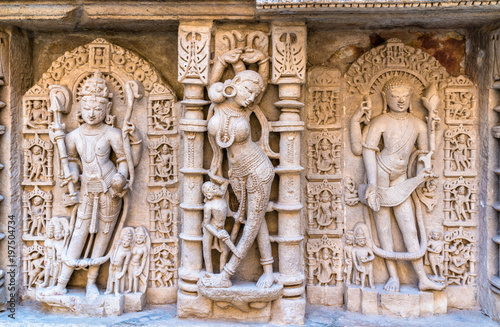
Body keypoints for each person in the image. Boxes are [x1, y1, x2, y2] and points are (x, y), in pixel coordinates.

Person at [42, 70, 142, 297]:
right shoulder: (73, 136)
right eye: (87, 108)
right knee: (79, 233)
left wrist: (120, 177)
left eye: (97, 109)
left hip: (109, 189)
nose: (92, 113)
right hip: (87, 190)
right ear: (80, 108)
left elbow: (126, 160)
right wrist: (74, 175)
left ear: (107, 109)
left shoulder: (113, 134)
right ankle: (61, 284)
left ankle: (91, 283)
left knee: (103, 235)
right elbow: (72, 161)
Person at [350, 77, 444, 292]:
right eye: (395, 96)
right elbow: (367, 150)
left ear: (411, 99)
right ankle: (393, 277)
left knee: (409, 227)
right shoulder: (380, 121)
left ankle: (422, 278)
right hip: (380, 173)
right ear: (385, 98)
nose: (400, 101)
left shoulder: (418, 124)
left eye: (405, 97)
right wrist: (373, 182)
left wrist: (435, 130)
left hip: (401, 176)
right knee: (384, 230)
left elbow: (426, 153)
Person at [201, 47, 275, 289]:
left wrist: (263, 60)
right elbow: (210, 85)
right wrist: (223, 61)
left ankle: (226, 274)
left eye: (256, 94)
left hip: (258, 169)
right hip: (237, 173)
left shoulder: (246, 109)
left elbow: (262, 84)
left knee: (253, 222)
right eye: (248, 91)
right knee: (257, 219)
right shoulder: (220, 104)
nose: (253, 97)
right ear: (233, 86)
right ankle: (268, 270)